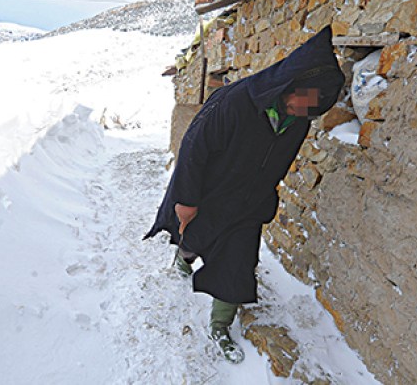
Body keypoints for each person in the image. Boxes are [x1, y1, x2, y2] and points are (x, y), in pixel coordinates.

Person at [144, 26, 345, 363]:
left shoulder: (299, 120)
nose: (308, 109)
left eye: (317, 105)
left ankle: (220, 325)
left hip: (248, 204)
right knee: (194, 237)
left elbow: (281, 161)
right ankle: (183, 257)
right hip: (209, 193)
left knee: (239, 264)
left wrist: (265, 196)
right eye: (307, 98)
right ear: (288, 84)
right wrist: (187, 200)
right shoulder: (235, 101)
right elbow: (194, 148)